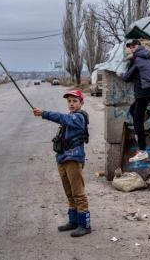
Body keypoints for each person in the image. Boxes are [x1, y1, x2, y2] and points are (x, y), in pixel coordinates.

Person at [33, 89, 91, 237]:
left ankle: (85, 224)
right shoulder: (71, 116)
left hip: (73, 159)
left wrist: (44, 114)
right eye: (69, 101)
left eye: (75, 101)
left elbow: (62, 118)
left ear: (81, 103)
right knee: (69, 193)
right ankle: (74, 221)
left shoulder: (79, 117)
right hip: (63, 159)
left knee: (78, 193)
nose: (71, 104)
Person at [122, 39, 150, 162]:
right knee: (133, 109)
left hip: (143, 93)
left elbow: (127, 77)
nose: (130, 49)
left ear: (135, 47)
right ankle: (138, 133)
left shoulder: (136, 59)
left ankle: (142, 151)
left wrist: (121, 74)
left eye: (131, 47)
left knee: (137, 120)